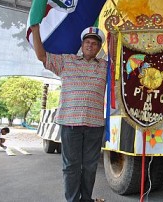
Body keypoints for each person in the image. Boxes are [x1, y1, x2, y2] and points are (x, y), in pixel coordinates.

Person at [30, 24, 108, 202]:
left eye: (95, 43)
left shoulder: (106, 66)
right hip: (69, 124)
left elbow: (123, 69)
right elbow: (42, 56)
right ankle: (72, 200)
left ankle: (86, 199)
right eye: (87, 42)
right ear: (81, 45)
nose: (90, 45)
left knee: (89, 166)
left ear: (99, 48)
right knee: (71, 166)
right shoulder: (66, 61)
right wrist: (35, 31)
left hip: (95, 125)